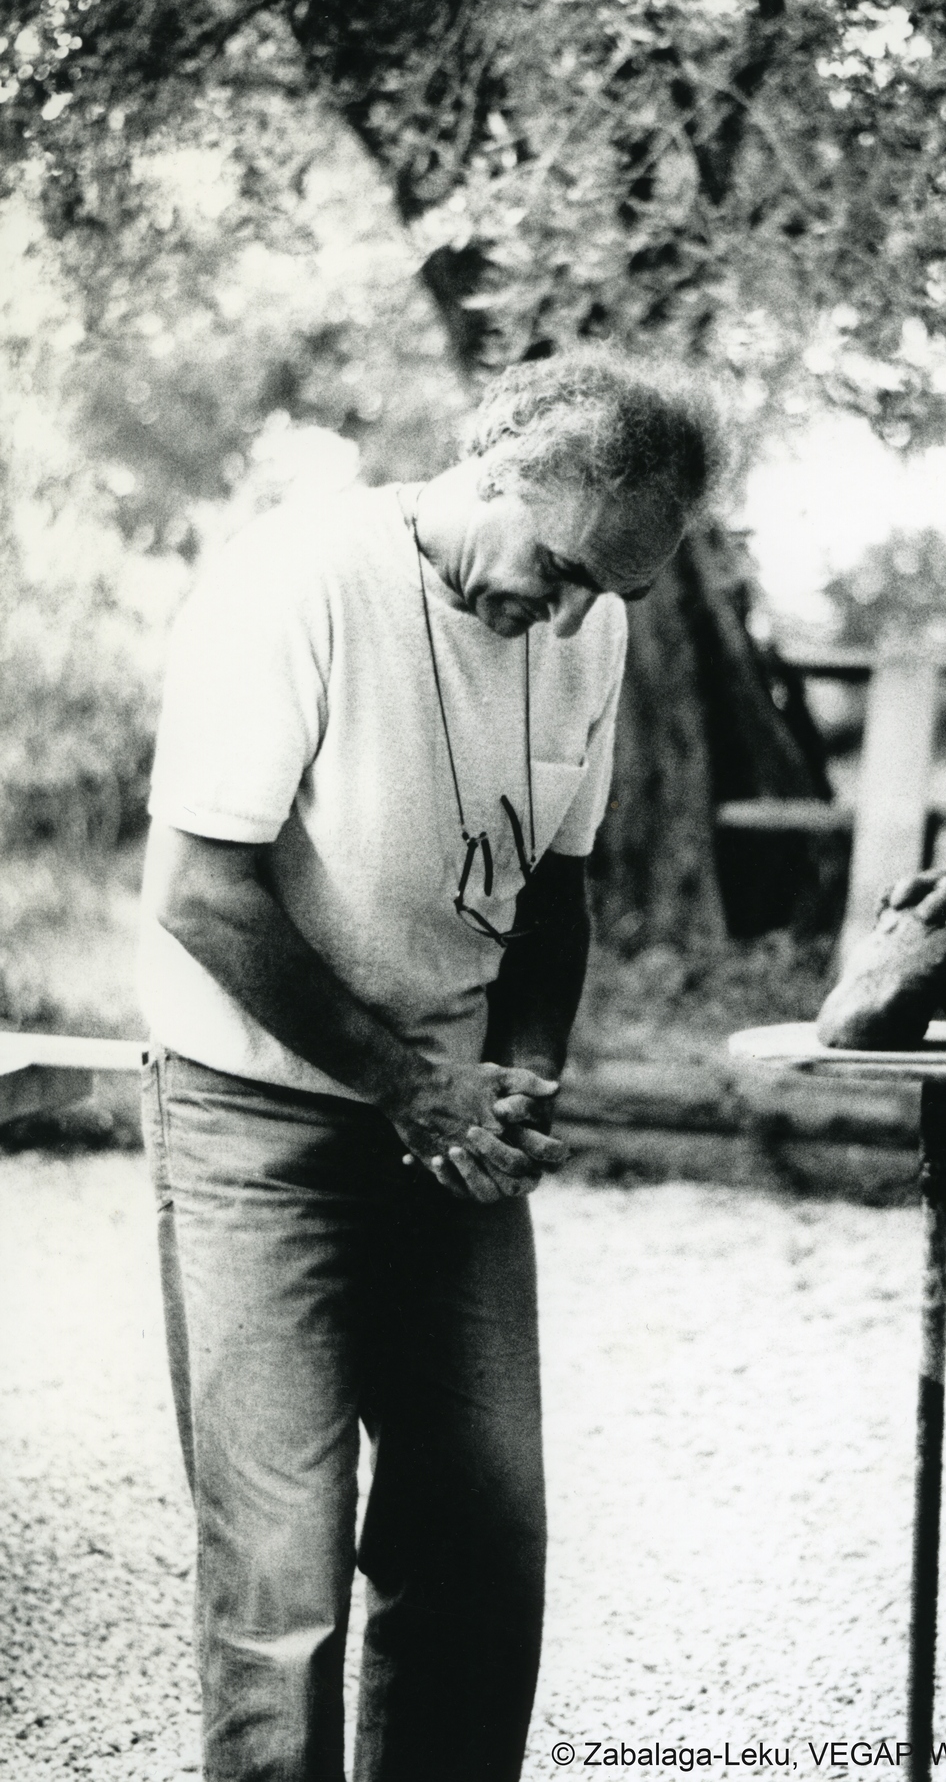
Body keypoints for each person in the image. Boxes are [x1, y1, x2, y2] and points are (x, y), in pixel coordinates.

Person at [136, 352, 723, 1782]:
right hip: (257, 1117)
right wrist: (413, 1088)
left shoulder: (594, 626)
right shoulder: (300, 580)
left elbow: (558, 892)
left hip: (450, 1116)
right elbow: (200, 890)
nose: (574, 611)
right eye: (565, 564)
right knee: (281, 1575)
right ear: (495, 470)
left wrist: (522, 1072)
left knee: (481, 1536)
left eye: (614, 593)